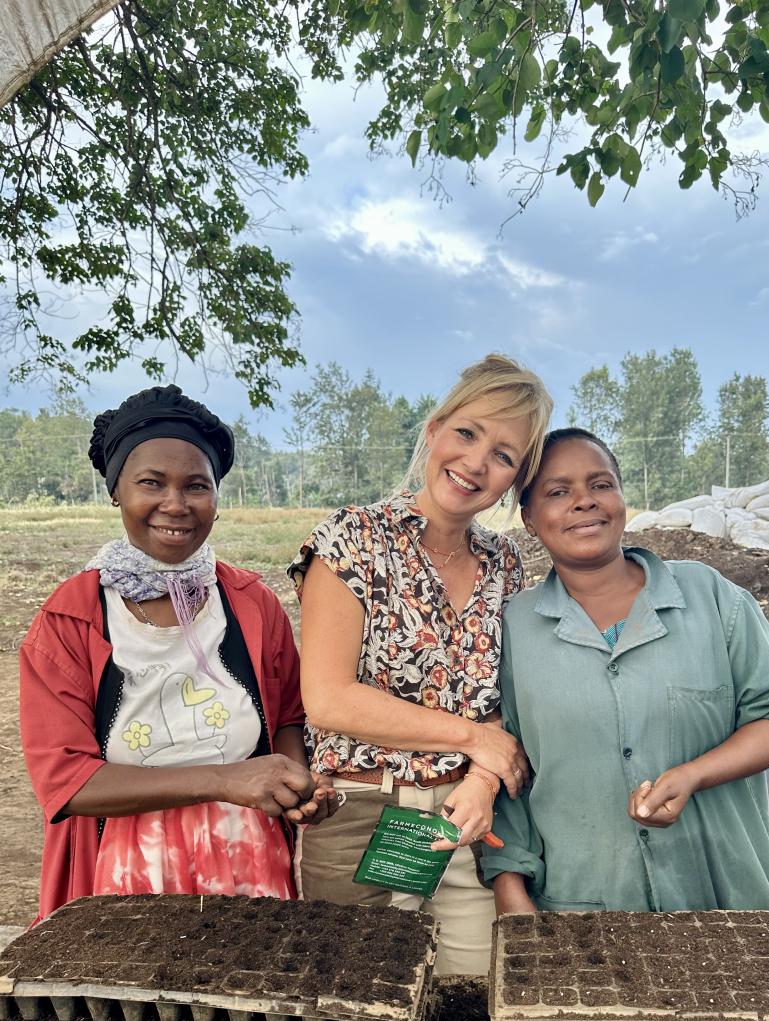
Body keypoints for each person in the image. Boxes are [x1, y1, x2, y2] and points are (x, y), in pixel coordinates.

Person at [20, 384, 336, 922]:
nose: (176, 504)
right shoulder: (70, 619)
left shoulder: (251, 605)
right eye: (151, 483)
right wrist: (224, 779)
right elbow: (67, 781)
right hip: (126, 863)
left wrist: (294, 782)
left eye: (196, 485)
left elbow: (287, 716)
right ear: (116, 491)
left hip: (249, 853)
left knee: (248, 993)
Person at [484, 428, 769, 914]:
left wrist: (694, 774)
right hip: (585, 909)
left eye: (601, 485)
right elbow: (509, 768)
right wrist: (510, 889)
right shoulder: (514, 628)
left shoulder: (708, 596)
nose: (584, 502)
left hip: (728, 899)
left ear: (622, 499)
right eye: (558, 492)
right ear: (530, 517)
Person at [288, 354, 554, 973]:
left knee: (472, 990)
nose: (475, 463)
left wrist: (485, 778)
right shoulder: (354, 538)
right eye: (467, 433)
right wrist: (473, 739)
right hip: (361, 814)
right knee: (359, 993)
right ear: (434, 429)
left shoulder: (504, 563)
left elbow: (505, 702)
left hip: (466, 819)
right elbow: (327, 698)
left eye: (504, 454)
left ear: (515, 480)